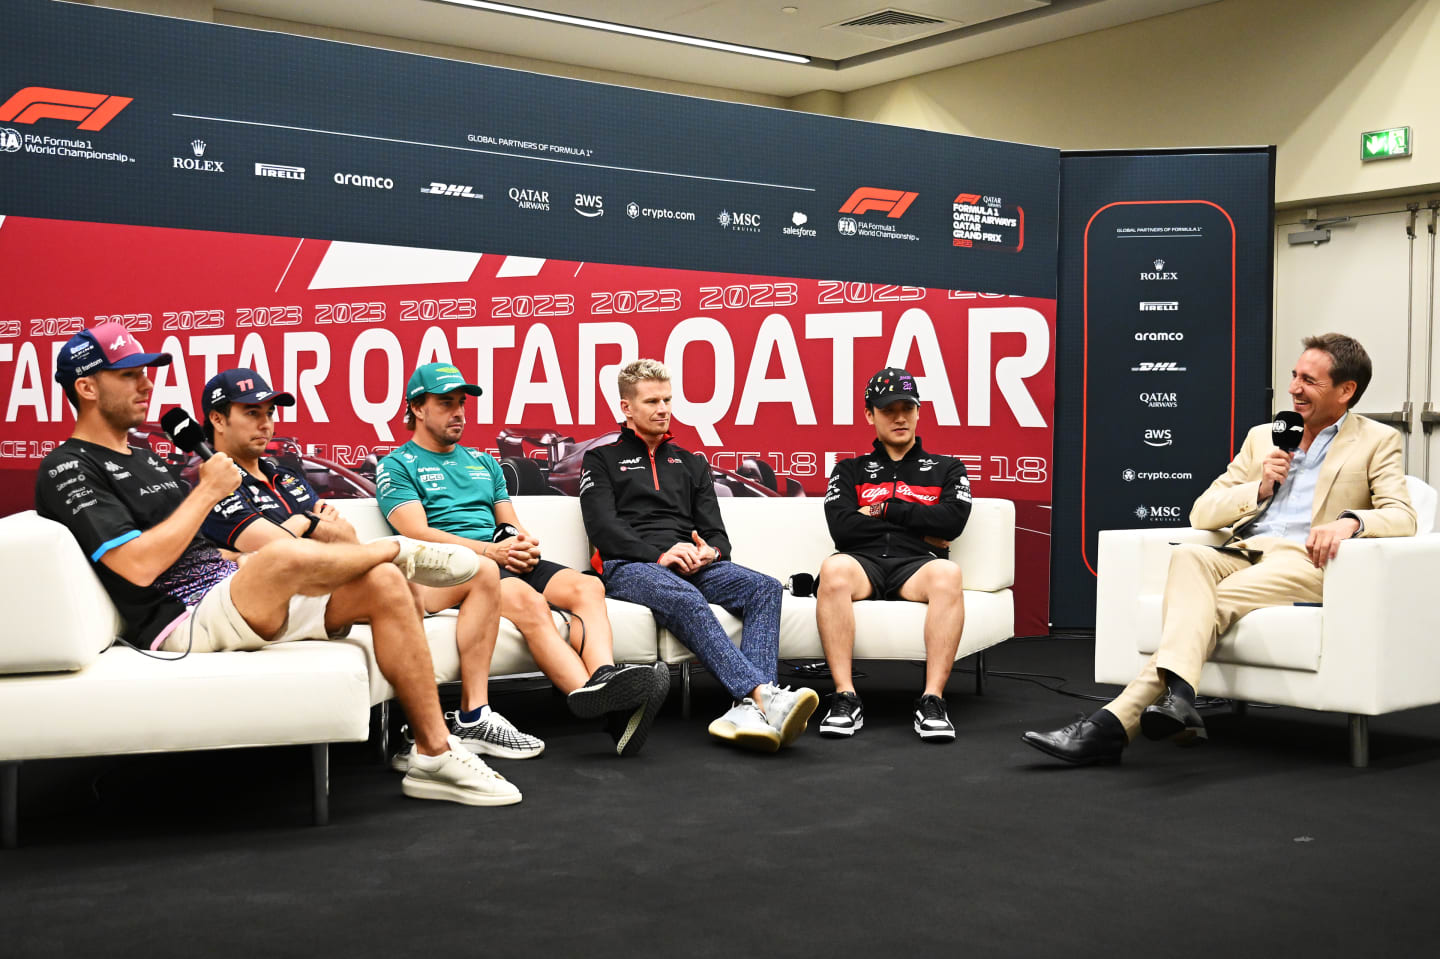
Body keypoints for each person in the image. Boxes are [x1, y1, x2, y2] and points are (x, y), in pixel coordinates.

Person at [34, 323, 523, 807]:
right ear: (87, 387)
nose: (146, 384)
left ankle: (433, 752)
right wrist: (208, 492)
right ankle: (397, 547)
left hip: (225, 588)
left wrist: (235, 556)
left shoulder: (148, 459)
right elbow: (136, 567)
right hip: (181, 619)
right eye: (129, 374)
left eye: (147, 372)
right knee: (283, 553)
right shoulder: (69, 466)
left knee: (383, 584)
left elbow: (192, 545)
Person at [1023, 334, 1416, 765]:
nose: (1294, 388)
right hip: (1244, 548)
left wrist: (1350, 522)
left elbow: (1402, 515)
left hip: (1304, 559)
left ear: (1346, 391)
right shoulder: (1264, 437)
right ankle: (1180, 700)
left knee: (1211, 604)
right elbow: (1203, 513)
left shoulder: (1377, 440)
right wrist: (1261, 486)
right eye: (1294, 375)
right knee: (1189, 555)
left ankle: (1112, 723)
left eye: (1310, 380)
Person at [197, 367, 544, 764]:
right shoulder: (214, 483)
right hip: (277, 603)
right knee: (389, 577)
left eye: (269, 412)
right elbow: (282, 551)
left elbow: (343, 537)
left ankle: (473, 715)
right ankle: (423, 733)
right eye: (252, 412)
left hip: (327, 584)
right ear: (218, 420)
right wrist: (308, 523)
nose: (266, 423)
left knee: (478, 571)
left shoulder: (285, 475)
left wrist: (310, 530)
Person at [375, 363, 670, 757]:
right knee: (525, 598)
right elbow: (417, 532)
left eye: (461, 403)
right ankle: (605, 708)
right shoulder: (397, 464)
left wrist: (521, 542)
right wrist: (489, 551)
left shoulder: (484, 463)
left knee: (588, 586)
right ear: (417, 408)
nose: (459, 412)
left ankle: (603, 680)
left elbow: (508, 523)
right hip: (447, 569)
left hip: (498, 558)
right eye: (446, 403)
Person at [578, 358, 818, 753]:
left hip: (692, 565)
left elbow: (717, 533)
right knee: (683, 596)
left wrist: (711, 551)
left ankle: (749, 709)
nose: (663, 409)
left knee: (765, 588)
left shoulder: (690, 463)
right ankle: (763, 694)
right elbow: (603, 530)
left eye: (668, 399)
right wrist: (660, 554)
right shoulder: (600, 460)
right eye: (652, 401)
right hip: (630, 567)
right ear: (627, 408)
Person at [816, 367, 973, 742]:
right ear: (870, 415)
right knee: (832, 570)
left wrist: (884, 509)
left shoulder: (947, 468)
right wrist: (921, 521)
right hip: (863, 563)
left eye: (907, 407)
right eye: (888, 410)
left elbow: (952, 522)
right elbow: (843, 529)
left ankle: (932, 700)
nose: (899, 417)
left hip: (916, 565)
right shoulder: (848, 469)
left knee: (949, 576)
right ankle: (844, 696)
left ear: (919, 412)